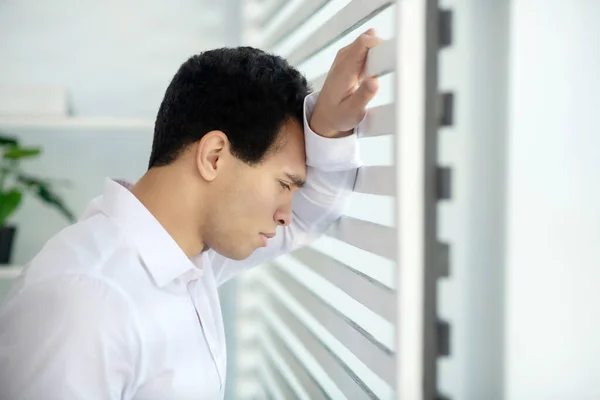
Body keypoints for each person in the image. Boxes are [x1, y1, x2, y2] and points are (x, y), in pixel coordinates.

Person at [0, 29, 382, 399]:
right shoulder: (84, 302)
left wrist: (327, 129)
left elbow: (306, 216)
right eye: (284, 185)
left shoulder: (189, 261)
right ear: (214, 156)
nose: (285, 214)